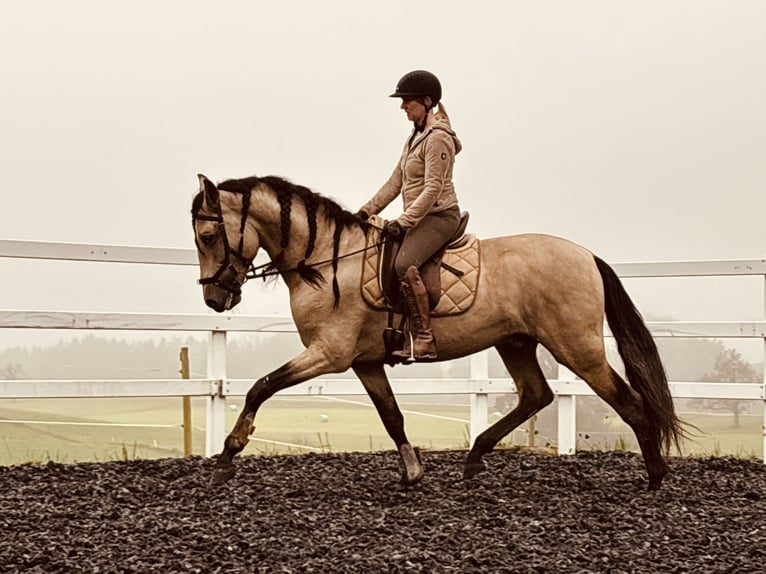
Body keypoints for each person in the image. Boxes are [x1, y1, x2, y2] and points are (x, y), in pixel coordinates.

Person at [357, 70, 462, 362]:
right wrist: (366, 211)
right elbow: (395, 182)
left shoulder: (438, 138)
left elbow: (432, 189)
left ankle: (425, 339)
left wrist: (404, 222)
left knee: (404, 262)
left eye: (407, 101)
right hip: (421, 217)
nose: (403, 107)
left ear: (427, 102)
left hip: (440, 216)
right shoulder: (414, 137)